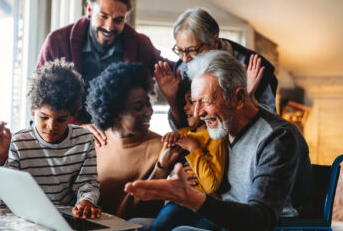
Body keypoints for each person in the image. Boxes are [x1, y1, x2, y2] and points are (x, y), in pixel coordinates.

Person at [125, 51, 313, 230]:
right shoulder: (223, 126)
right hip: (220, 221)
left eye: (205, 101)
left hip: (262, 226)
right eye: (195, 101)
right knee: (133, 225)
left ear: (239, 98)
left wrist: (193, 198)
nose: (198, 112)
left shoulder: (278, 138)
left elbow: (261, 220)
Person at [36, 0, 173, 146]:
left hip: (117, 140)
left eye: (118, 20)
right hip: (66, 136)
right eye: (103, 16)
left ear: (126, 18)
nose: (109, 27)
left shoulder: (139, 44)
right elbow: (40, 98)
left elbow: (172, 70)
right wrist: (77, 129)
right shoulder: (57, 42)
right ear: (89, 10)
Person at [0, 59, 101, 219]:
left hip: (66, 219)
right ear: (33, 111)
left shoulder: (84, 140)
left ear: (72, 115)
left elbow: (87, 184)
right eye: (44, 117)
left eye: (61, 119)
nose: (51, 126)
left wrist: (86, 201)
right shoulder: (18, 142)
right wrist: (1, 157)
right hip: (26, 219)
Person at [154, 7, 278, 130]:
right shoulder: (182, 68)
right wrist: (172, 98)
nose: (185, 59)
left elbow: (271, 124)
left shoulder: (252, 65)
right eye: (180, 51)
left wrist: (248, 99)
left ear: (214, 41)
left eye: (192, 50)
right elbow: (183, 128)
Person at [85, 62, 163, 219]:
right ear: (115, 113)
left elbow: (148, 213)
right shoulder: (94, 139)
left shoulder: (163, 147)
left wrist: (163, 168)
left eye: (148, 104)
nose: (149, 112)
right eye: (138, 107)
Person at [150, 77, 227, 231]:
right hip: (178, 202)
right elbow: (163, 174)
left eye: (190, 102)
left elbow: (211, 186)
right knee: (160, 226)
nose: (185, 108)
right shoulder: (183, 134)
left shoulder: (217, 137)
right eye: (185, 102)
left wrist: (194, 149)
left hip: (206, 204)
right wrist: (168, 144)